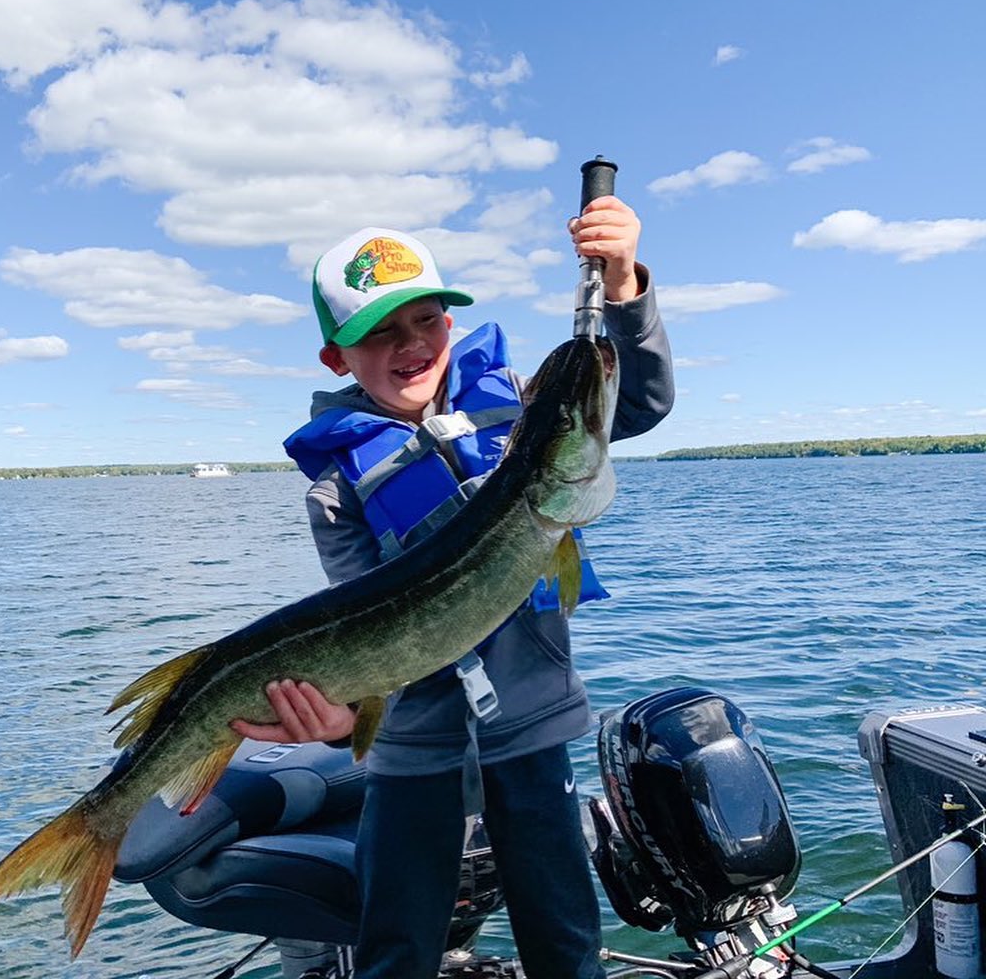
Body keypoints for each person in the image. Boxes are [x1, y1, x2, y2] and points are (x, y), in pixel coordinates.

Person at [231, 195, 674, 979]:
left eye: (427, 322)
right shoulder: (336, 490)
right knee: (398, 941)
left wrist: (624, 287)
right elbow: (368, 620)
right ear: (338, 358)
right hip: (412, 744)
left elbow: (635, 403)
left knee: (563, 934)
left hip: (532, 726)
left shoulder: (515, 402)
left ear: (451, 326)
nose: (412, 346)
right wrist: (337, 723)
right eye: (380, 333)